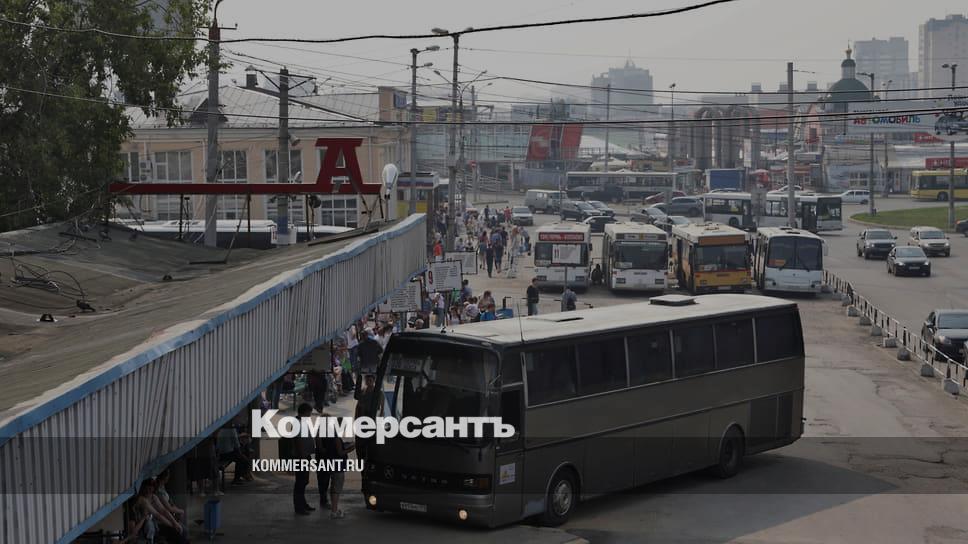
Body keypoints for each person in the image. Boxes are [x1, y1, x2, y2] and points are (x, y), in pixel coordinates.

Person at [318, 417, 355, 520]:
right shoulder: (336, 438)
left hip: (331, 464)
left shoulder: (329, 435)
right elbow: (340, 452)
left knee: (333, 487)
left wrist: (344, 445)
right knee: (336, 489)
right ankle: (334, 512)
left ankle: (334, 509)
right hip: (338, 466)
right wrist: (351, 448)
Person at [293, 403, 315, 515]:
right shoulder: (298, 423)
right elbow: (298, 441)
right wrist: (302, 456)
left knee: (304, 481)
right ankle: (299, 507)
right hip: (301, 457)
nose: (310, 415)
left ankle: (303, 503)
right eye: (309, 413)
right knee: (300, 482)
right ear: (305, 412)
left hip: (305, 455)